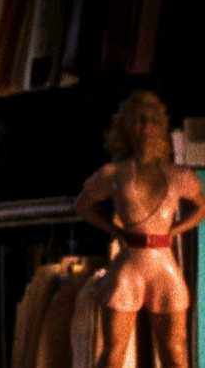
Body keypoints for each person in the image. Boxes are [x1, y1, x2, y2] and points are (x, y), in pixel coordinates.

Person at [75, 91, 205, 368]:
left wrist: (175, 230)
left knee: (176, 351)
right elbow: (83, 205)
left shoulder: (178, 175)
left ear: (160, 125)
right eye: (138, 120)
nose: (145, 127)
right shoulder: (113, 173)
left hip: (163, 263)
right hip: (130, 264)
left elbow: (201, 207)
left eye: (151, 120)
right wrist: (115, 230)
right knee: (114, 350)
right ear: (126, 127)